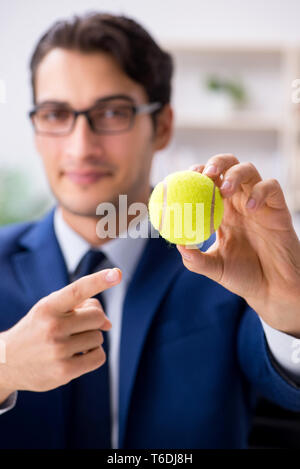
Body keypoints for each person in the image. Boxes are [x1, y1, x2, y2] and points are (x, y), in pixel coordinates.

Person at [0, 12, 299, 449]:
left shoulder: (231, 265)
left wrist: (291, 314)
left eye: (113, 112)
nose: (81, 146)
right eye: (56, 113)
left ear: (161, 127)